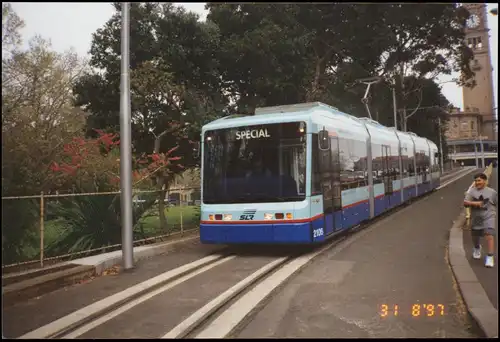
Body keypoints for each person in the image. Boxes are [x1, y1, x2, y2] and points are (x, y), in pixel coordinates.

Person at [463, 172, 497, 268]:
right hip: (477, 218)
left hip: (489, 216)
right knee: (475, 236)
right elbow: (465, 203)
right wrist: (475, 204)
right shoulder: (472, 192)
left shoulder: (492, 192)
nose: (477, 182)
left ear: (485, 181)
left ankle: (490, 257)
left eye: (479, 180)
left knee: (489, 235)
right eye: (476, 181)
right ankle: (477, 248)